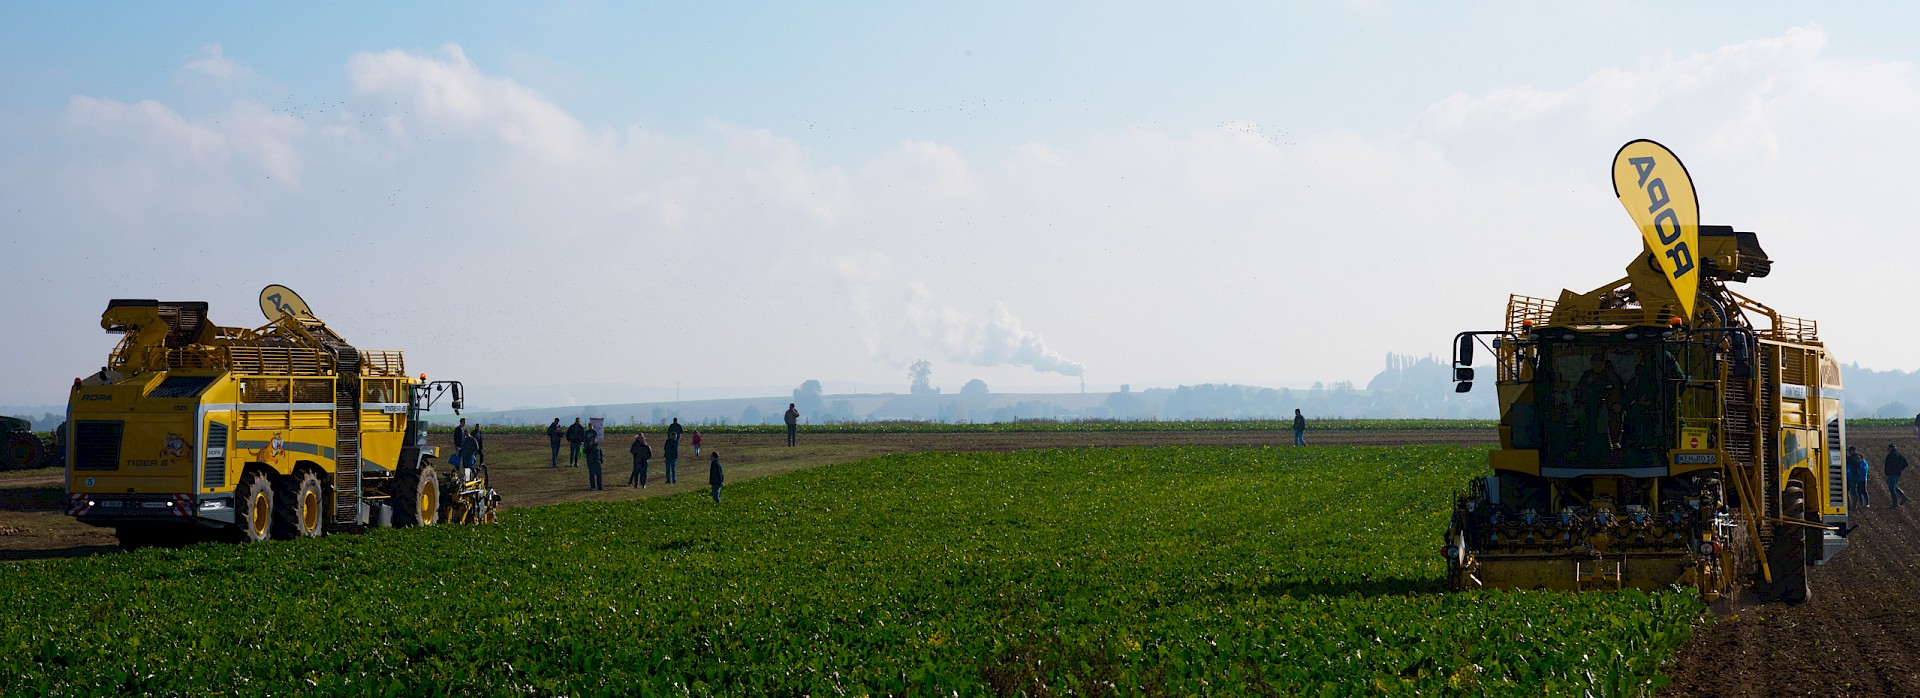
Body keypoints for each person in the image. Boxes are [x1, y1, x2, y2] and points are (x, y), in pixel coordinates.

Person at [1887, 443, 1911, 508]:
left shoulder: (1891, 455)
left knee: (1892, 488)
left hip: (1891, 474)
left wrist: (1889, 471)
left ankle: (1894, 503)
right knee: (1894, 486)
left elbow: (1888, 465)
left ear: (1891, 448)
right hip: (1897, 474)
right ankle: (1903, 497)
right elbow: (1905, 464)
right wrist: (1900, 469)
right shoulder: (1899, 455)